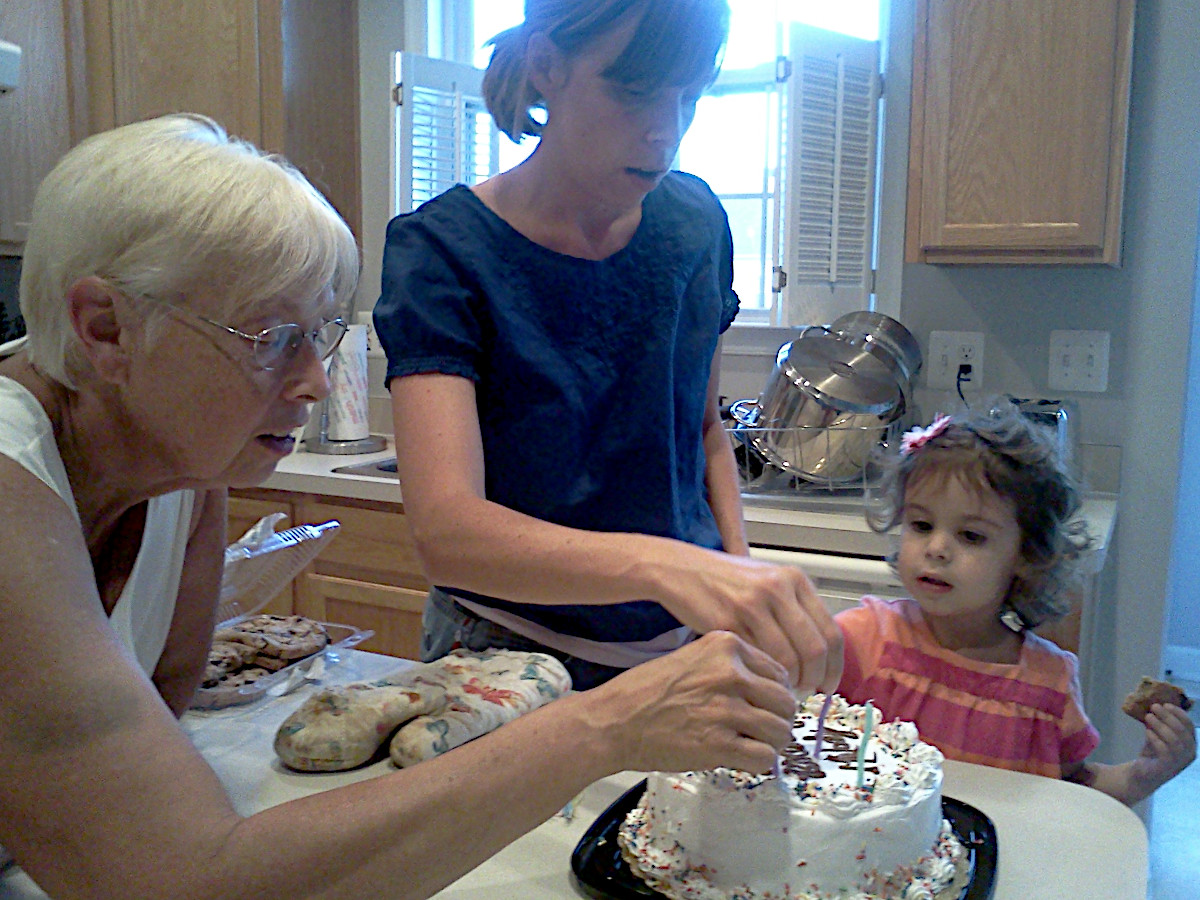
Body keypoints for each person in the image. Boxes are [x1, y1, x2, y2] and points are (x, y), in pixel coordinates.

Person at [0, 113, 816, 900]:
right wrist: (603, 727)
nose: (317, 381)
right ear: (105, 328)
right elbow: (182, 878)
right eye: (270, 338)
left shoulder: (182, 464)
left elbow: (141, 768)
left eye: (316, 334)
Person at [374, 0, 841, 693]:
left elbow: (704, 431)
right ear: (545, 66)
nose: (665, 130)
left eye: (690, 95)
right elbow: (448, 536)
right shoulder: (443, 250)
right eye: (634, 91)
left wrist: (739, 581)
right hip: (504, 654)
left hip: (680, 651)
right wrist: (668, 566)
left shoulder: (695, 225)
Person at [836, 404, 1196, 806]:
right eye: (921, 525)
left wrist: (1143, 776)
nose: (936, 548)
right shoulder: (864, 639)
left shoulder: (1048, 686)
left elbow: (1076, 789)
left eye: (971, 536)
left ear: (1026, 555)